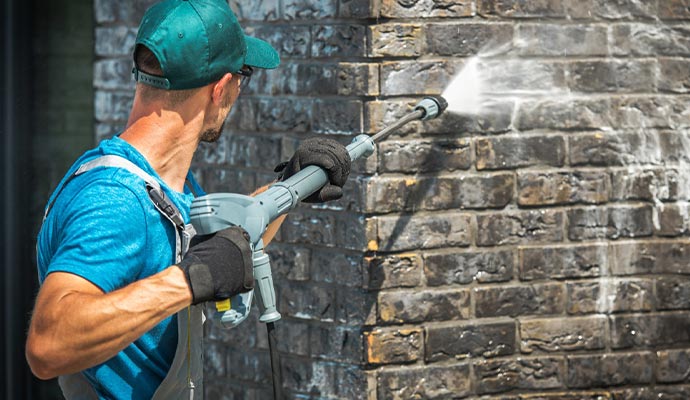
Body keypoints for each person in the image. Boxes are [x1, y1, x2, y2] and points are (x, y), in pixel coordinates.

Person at [25, 0, 351, 399]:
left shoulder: (160, 184)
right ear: (220, 88)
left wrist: (290, 187)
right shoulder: (117, 201)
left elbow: (219, 249)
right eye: (242, 76)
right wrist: (189, 281)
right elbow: (49, 344)